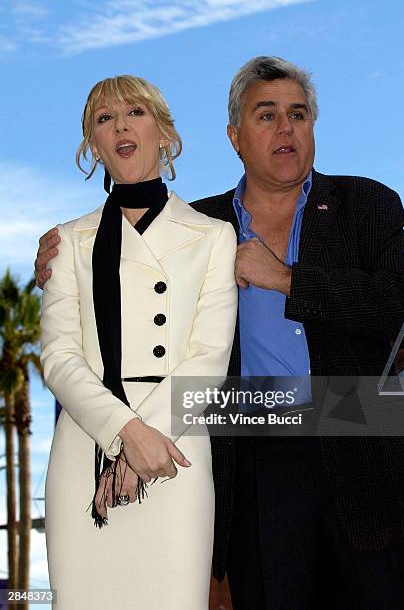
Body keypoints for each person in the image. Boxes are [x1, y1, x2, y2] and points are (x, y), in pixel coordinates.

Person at [36, 57, 404, 609]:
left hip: (369, 459)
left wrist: (287, 279)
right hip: (252, 465)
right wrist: (54, 264)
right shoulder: (198, 226)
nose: (285, 128)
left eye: (298, 113)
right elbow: (104, 320)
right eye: (266, 116)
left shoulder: (366, 204)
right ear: (235, 137)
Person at [39, 74, 237, 610]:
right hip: (87, 448)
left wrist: (150, 436)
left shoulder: (214, 237)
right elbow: (57, 357)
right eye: (105, 119)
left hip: (176, 449)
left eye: (136, 113)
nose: (121, 124)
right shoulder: (68, 241)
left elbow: (210, 356)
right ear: (92, 145)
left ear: (165, 134)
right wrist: (125, 432)